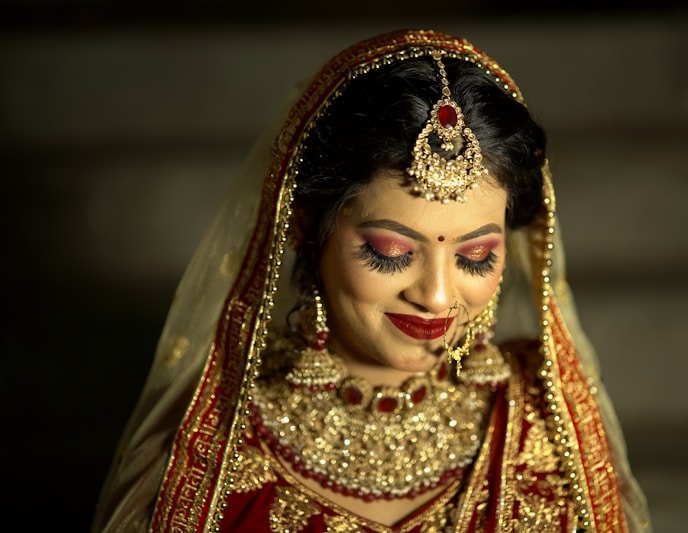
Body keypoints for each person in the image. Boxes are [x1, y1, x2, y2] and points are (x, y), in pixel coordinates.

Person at [92, 30, 651, 532]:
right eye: (390, 252)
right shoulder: (203, 453)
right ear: (308, 227)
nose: (435, 296)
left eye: (476, 256)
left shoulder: (555, 425)